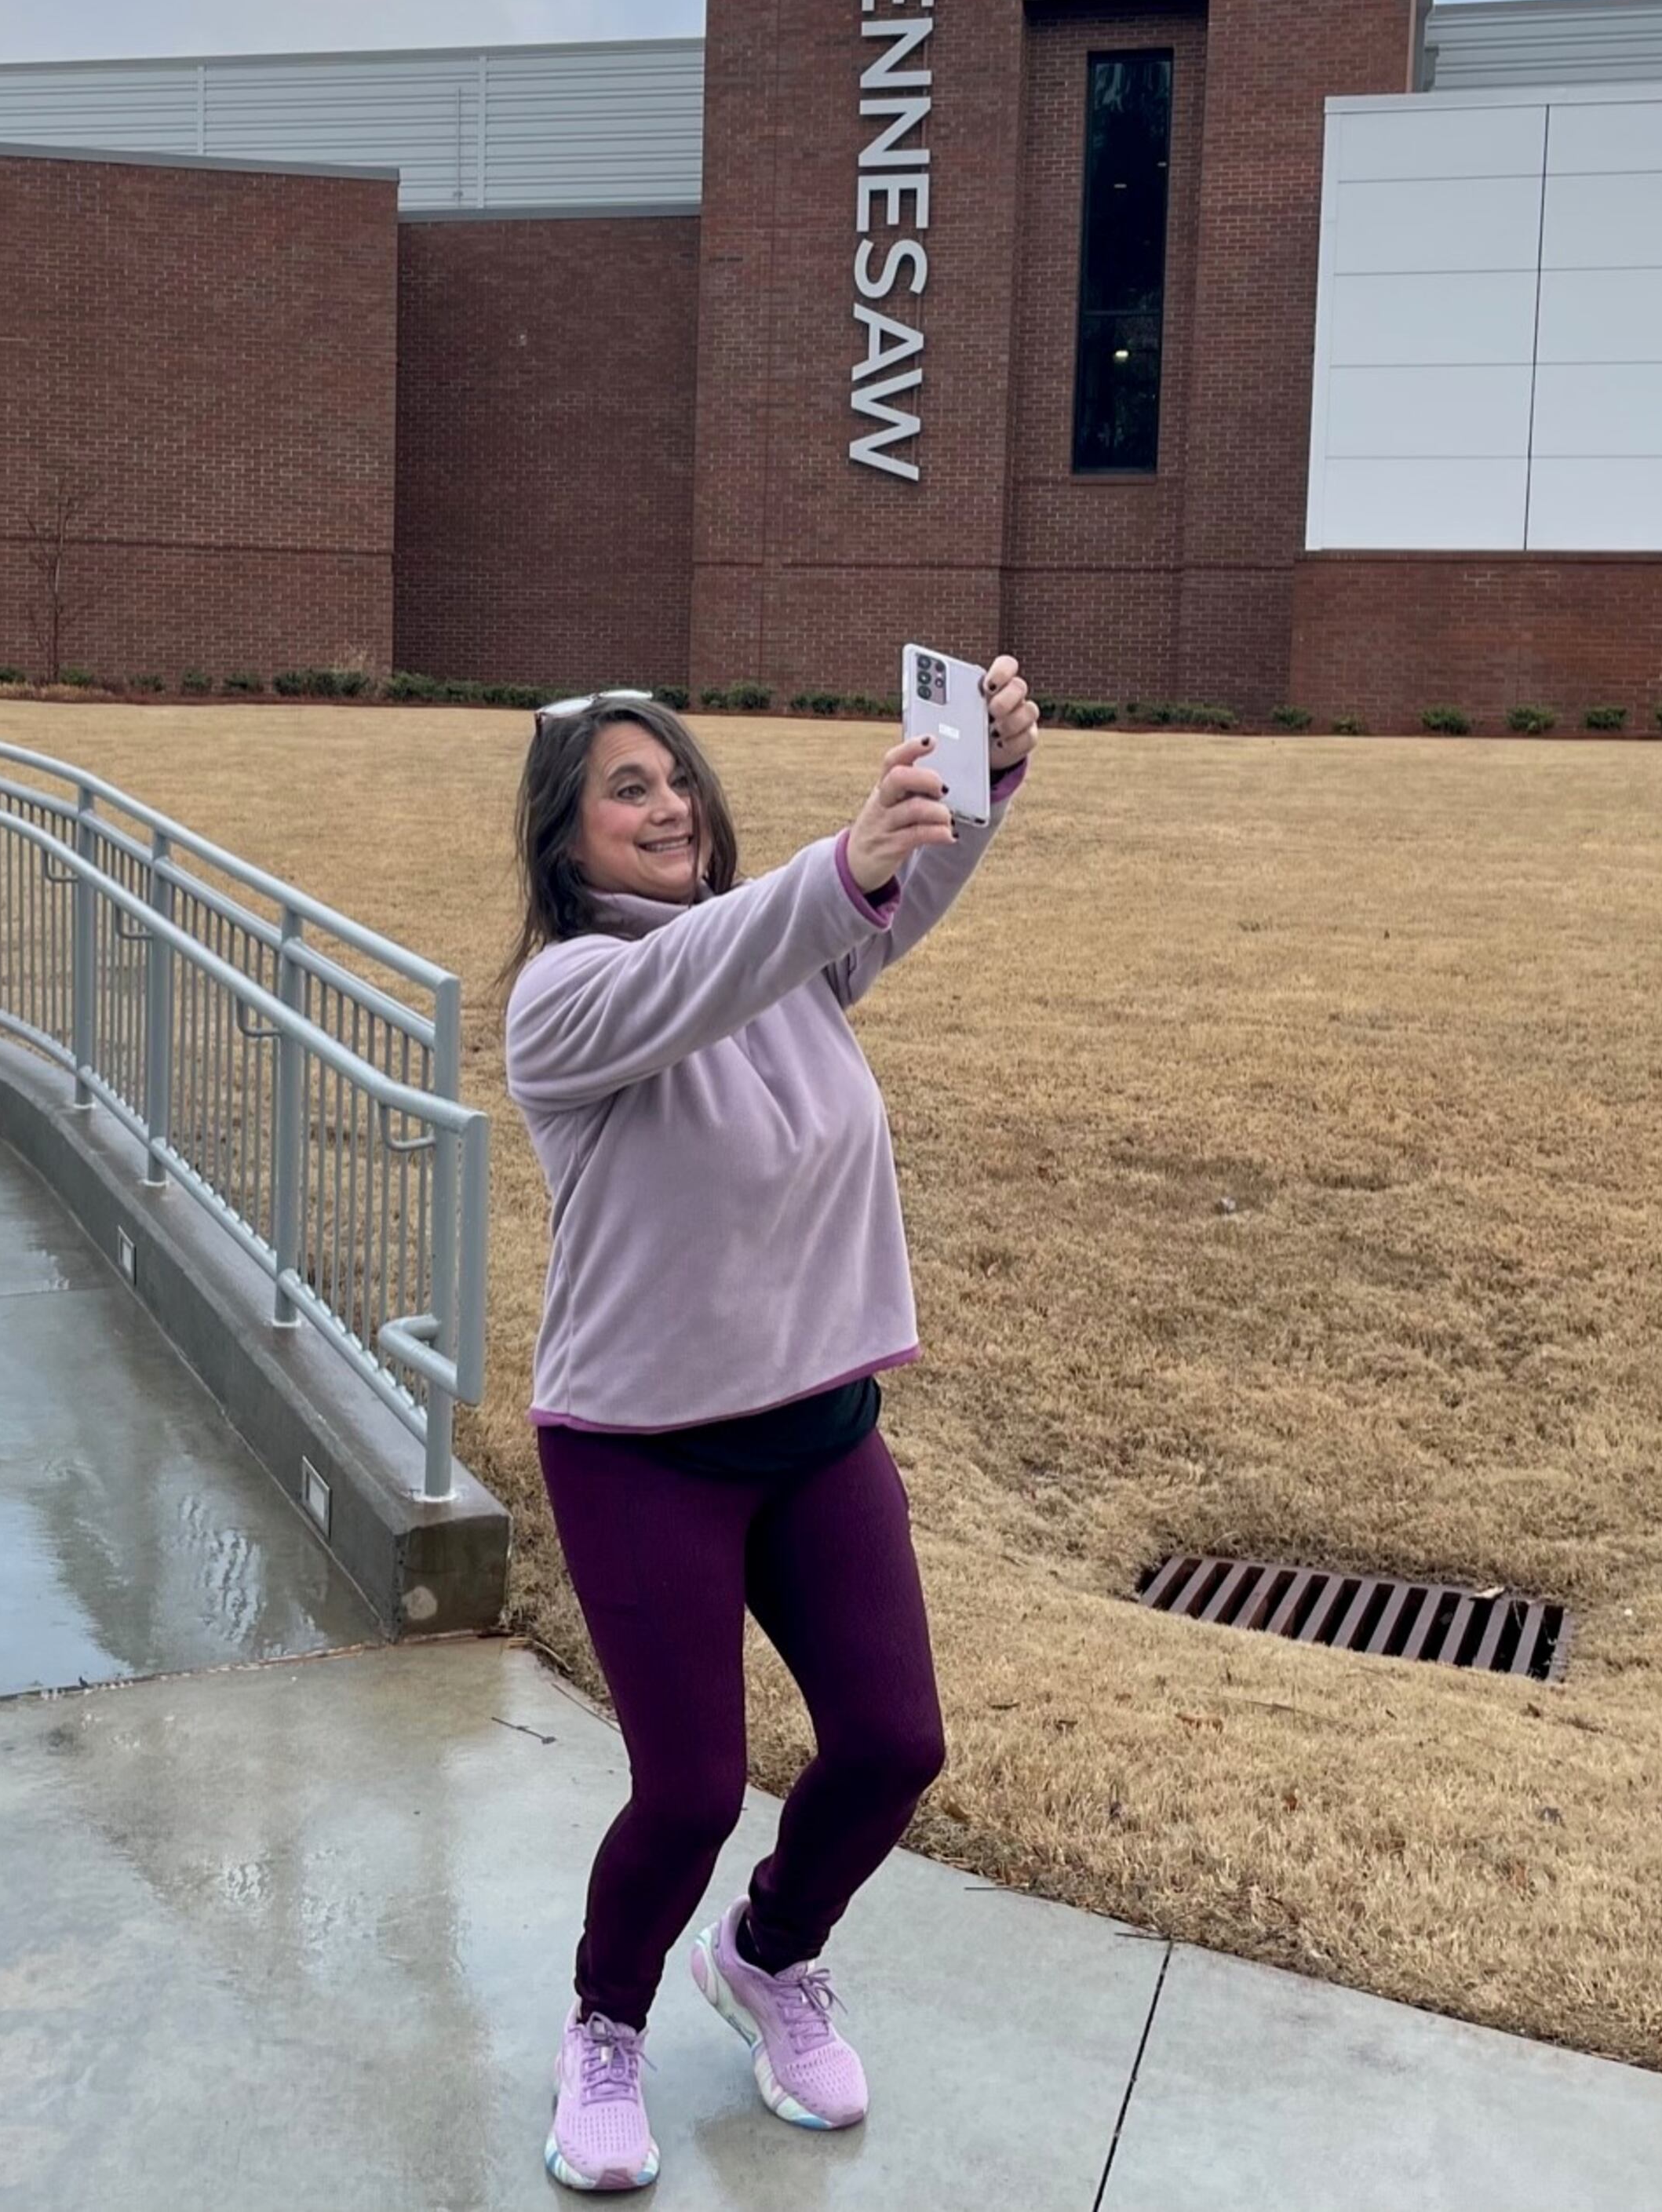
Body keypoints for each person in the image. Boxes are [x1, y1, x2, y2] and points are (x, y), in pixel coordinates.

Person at [502, 663, 1037, 2193]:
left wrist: (975, 781)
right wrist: (846, 867)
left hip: (816, 1429)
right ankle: (604, 2026)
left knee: (890, 1746)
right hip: (639, 1447)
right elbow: (730, 961)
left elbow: (867, 908)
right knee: (685, 1789)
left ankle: (768, 1954)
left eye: (677, 779)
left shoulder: (793, 951)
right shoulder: (570, 998)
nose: (668, 803)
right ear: (564, 840)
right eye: (626, 786)